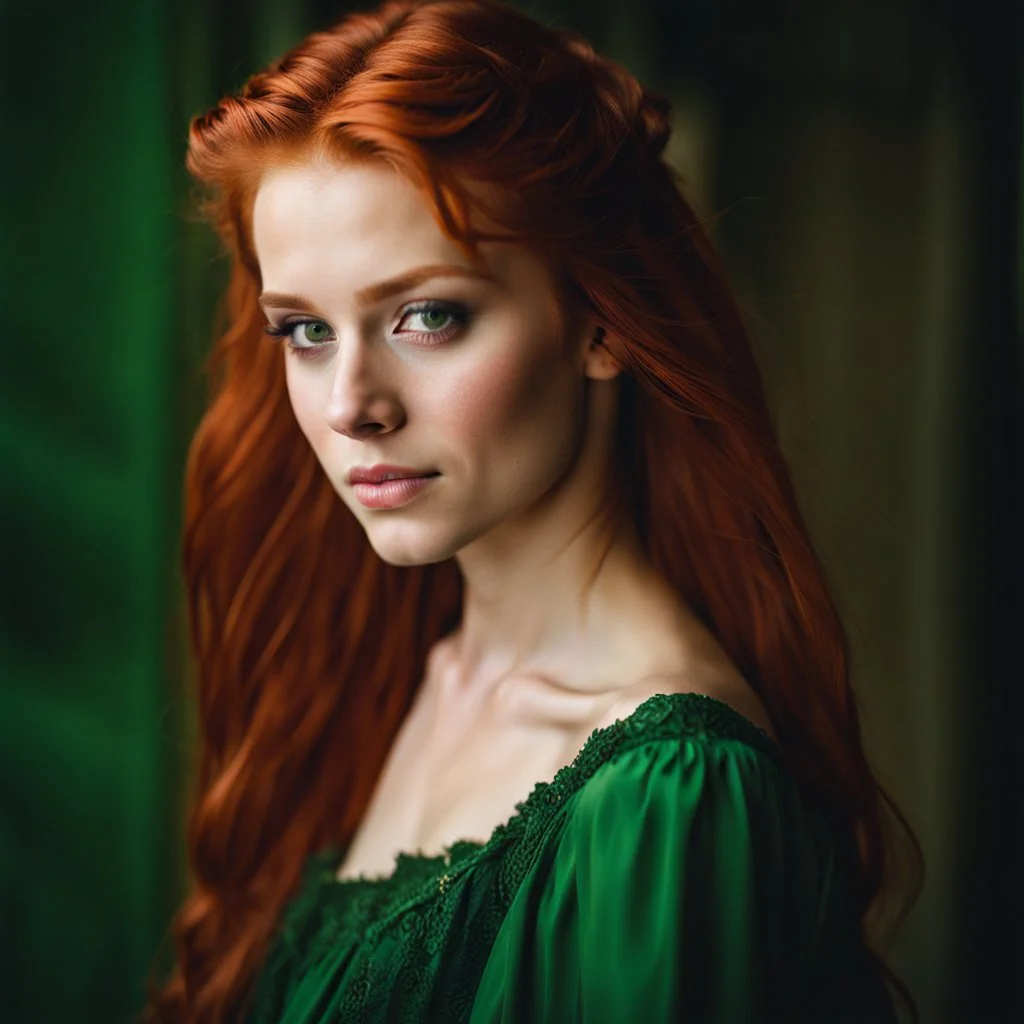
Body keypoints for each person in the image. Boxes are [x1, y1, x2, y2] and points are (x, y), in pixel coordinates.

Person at [145, 0, 923, 1020]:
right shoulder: (395, 673)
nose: (350, 407)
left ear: (600, 320)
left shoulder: (667, 799)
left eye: (429, 315)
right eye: (303, 330)